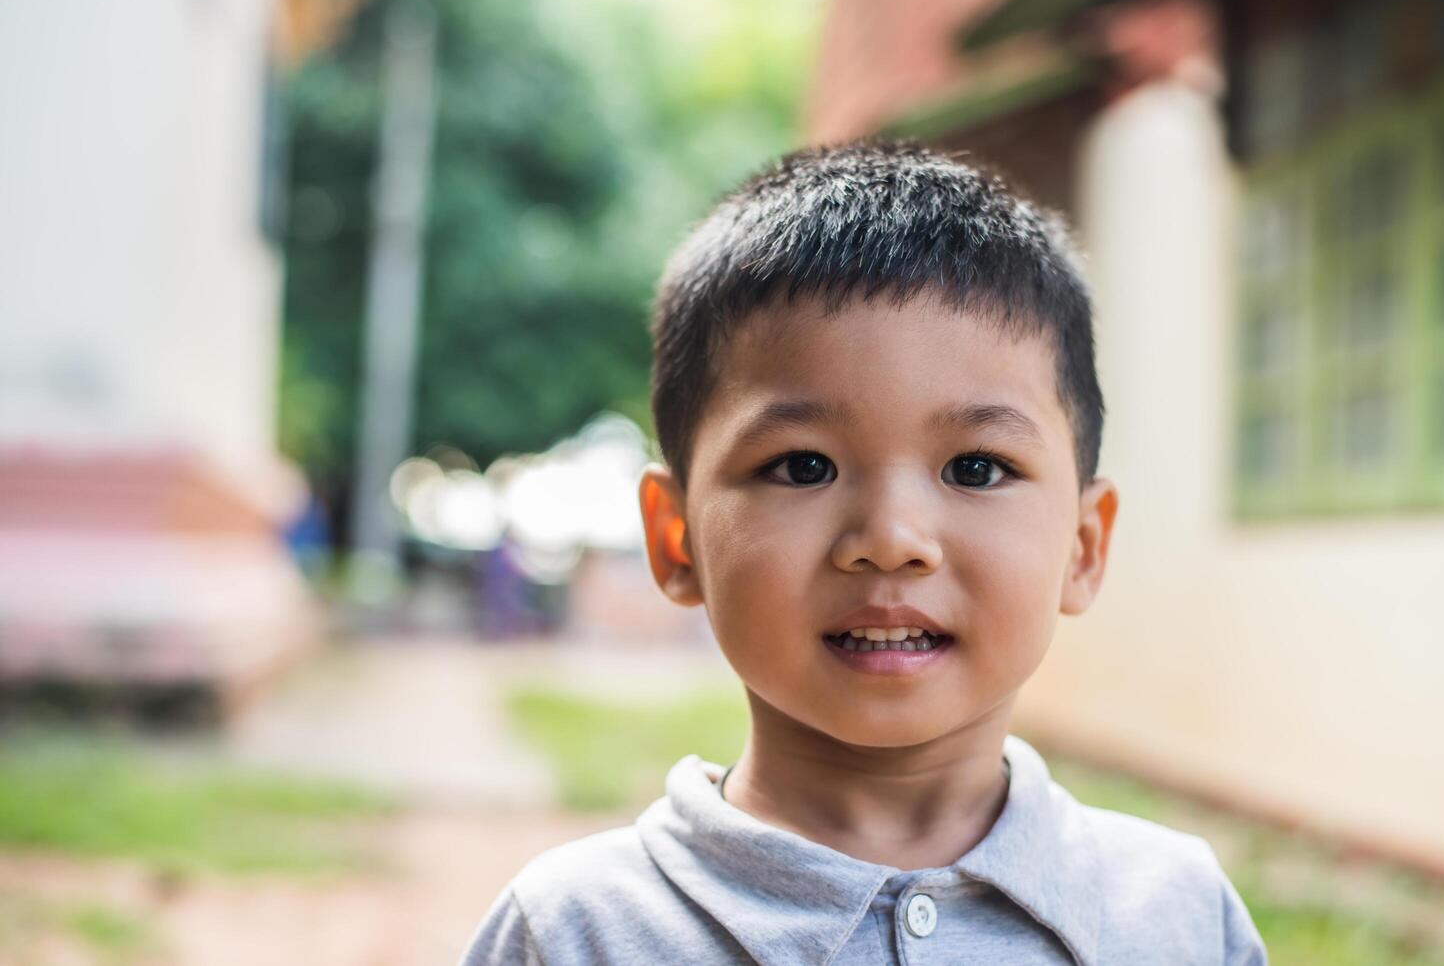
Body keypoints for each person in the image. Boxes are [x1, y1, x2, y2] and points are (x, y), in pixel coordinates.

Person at [458, 141, 1268, 965]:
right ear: (676, 539)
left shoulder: (1177, 916)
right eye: (802, 466)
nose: (889, 540)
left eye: (976, 469)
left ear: (1082, 546)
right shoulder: (574, 932)